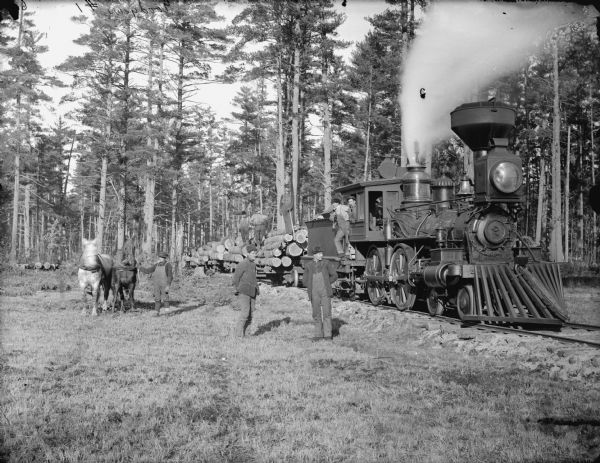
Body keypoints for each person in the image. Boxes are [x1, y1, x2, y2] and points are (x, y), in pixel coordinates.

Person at [303, 246, 338, 341]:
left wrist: (327, 282)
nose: (321, 255)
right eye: (319, 254)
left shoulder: (326, 263)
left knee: (327, 313)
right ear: (314, 255)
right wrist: (310, 285)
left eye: (322, 253)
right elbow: (304, 280)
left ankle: (327, 335)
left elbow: (334, 275)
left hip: (325, 291)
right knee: (316, 314)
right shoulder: (308, 265)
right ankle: (318, 335)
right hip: (314, 292)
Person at [232, 244, 259, 337]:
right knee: (245, 314)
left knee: (250, 315)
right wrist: (237, 289)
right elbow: (236, 278)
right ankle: (238, 335)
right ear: (247, 254)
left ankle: (247, 335)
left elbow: (253, 278)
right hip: (244, 292)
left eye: (255, 253)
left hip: (252, 292)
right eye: (252, 253)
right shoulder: (242, 264)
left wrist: (257, 290)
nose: (254, 255)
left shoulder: (254, 265)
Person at [139, 251, 173, 316]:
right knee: (157, 298)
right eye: (159, 257)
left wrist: (168, 285)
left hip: (165, 284)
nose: (160, 258)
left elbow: (170, 276)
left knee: (166, 298)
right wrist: (140, 267)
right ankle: (156, 312)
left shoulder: (168, 265)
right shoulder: (156, 265)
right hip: (156, 285)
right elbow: (148, 271)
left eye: (161, 257)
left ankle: (167, 312)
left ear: (165, 258)